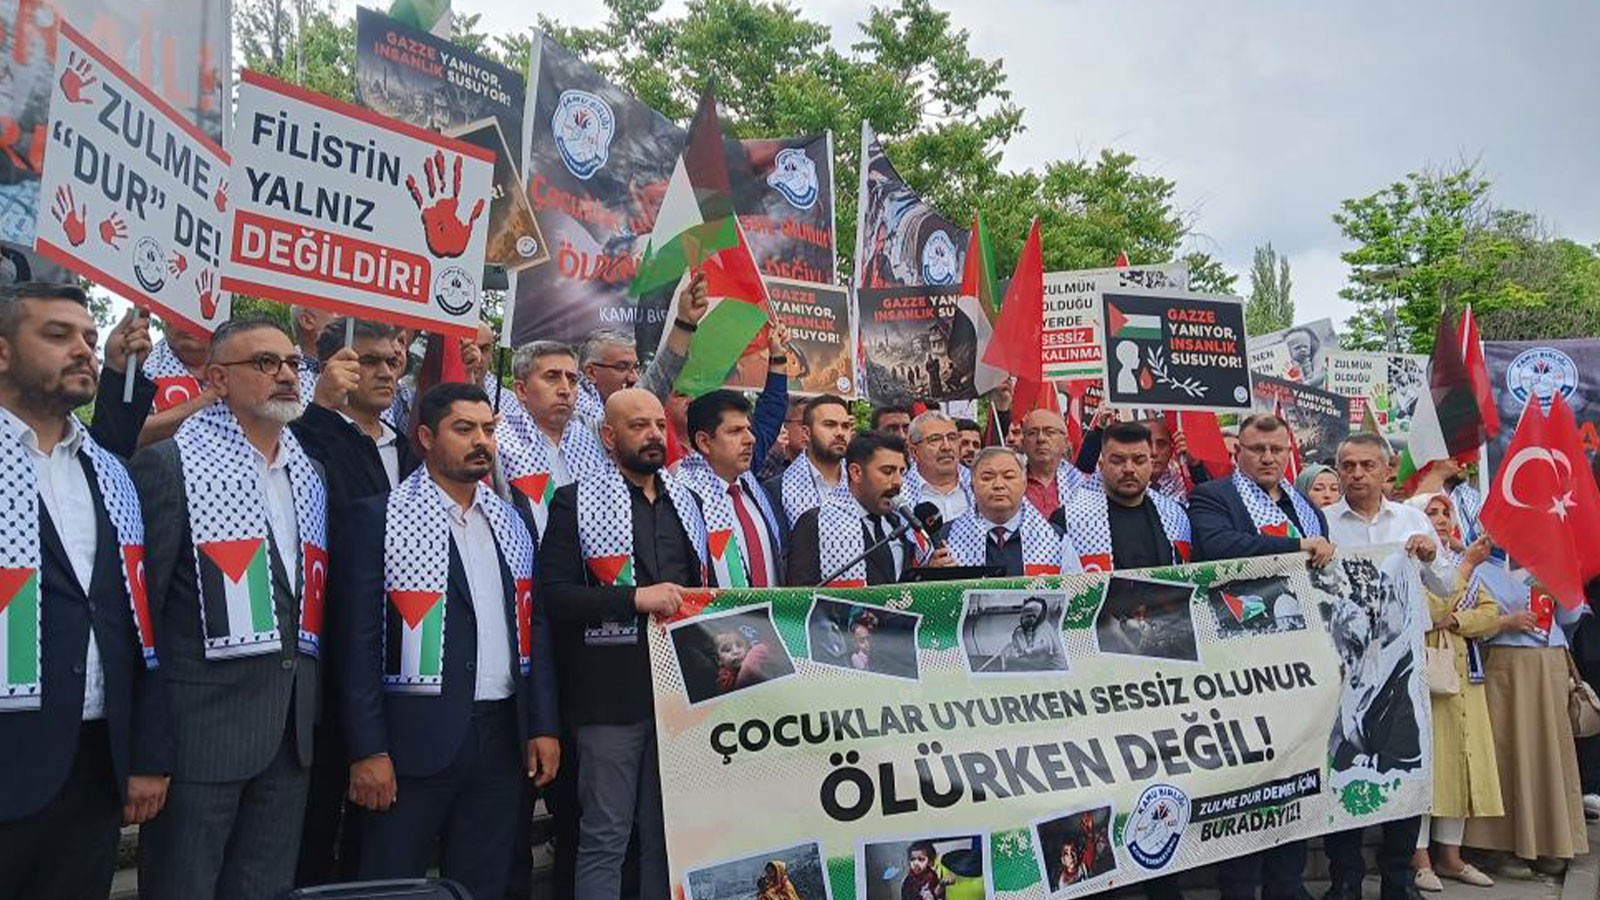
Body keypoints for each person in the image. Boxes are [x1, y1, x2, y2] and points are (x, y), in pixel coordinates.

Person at [334, 382, 558, 900]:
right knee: (391, 884)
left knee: (483, 882)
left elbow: (534, 625)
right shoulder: (378, 518)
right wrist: (368, 749)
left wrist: (543, 723)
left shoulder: (512, 520)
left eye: (487, 429)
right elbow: (359, 646)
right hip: (412, 741)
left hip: (502, 735)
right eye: (464, 429)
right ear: (426, 437)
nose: (481, 440)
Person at [131, 316, 329, 900]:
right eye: (265, 364)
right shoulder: (169, 465)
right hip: (200, 739)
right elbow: (143, 619)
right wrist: (149, 747)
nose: (288, 375)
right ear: (217, 379)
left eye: (292, 362)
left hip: (290, 735)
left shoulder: (309, 473)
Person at [0, 283, 171, 900]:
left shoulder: (110, 472)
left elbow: (135, 621)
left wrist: (145, 749)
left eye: (90, 340)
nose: (84, 351)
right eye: (58, 335)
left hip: (94, 765)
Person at [539, 388, 710, 900]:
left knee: (670, 836)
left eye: (659, 424)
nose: (654, 434)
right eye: (639, 426)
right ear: (609, 437)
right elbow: (556, 597)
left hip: (682, 696)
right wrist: (634, 598)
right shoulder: (575, 500)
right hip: (610, 698)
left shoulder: (688, 500)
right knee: (605, 837)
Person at [289, 317, 418, 885]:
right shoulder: (305, 433)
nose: (386, 371)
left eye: (393, 360)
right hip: (326, 649)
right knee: (316, 823)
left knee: (380, 829)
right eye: (369, 360)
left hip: (405, 647)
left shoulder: (411, 448)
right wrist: (319, 407)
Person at [1189, 413, 1330, 900]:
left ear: (1289, 453)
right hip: (1240, 663)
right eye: (1257, 450)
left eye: (1277, 451)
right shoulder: (1215, 497)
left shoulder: (1304, 505)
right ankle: (1239, 887)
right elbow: (1219, 546)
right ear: (1238, 453)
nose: (1268, 459)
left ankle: (1286, 885)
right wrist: (1296, 546)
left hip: (1296, 664)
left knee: (1292, 777)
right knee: (1245, 784)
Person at [1321, 433, 1453, 900]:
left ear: (1386, 470)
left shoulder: (1413, 520)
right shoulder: (1323, 523)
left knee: (1404, 771)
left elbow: (1446, 580)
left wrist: (1433, 554)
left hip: (1403, 671)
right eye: (1348, 466)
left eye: (1366, 466)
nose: (1357, 474)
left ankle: (1399, 879)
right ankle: (1345, 880)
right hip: (1345, 672)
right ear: (1337, 471)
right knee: (1344, 771)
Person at [1462, 562, 1589, 876]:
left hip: (1549, 659)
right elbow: (1470, 616)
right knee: (1504, 752)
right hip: (1505, 661)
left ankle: (1551, 841)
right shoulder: (1483, 566)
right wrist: (1506, 622)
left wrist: (1563, 588)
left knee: (1548, 751)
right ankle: (1496, 846)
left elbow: (1571, 619)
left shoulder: (1554, 561)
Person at [1404, 493, 1501, 892]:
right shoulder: (1409, 563)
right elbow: (1429, 605)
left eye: (1446, 513)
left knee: (1463, 763)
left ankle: (1452, 856)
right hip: (1426, 678)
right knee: (1429, 768)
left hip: (1465, 676)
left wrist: (1459, 619)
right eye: (1432, 513)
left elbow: (1489, 614)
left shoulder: (1467, 568)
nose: (1442, 520)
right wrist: (1463, 567)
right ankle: (1419, 857)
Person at [786, 432, 953, 587]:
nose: (897, 481)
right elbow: (800, 596)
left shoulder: (903, 524)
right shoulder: (817, 522)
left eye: (901, 472)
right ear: (856, 473)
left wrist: (930, 572)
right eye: (887, 471)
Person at [499, 341, 609, 537]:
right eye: (552, 377)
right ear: (521, 390)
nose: (565, 389)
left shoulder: (592, 434)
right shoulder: (499, 440)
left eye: (572, 380)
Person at [680, 391, 785, 587]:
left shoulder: (758, 493)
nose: (750, 439)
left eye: (748, 429)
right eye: (735, 431)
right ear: (704, 442)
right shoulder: (684, 500)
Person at [573, 274, 710, 423]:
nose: (633, 378)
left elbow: (661, 377)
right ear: (591, 372)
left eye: (635, 368)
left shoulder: (624, 403)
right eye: (622, 367)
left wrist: (685, 322)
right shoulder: (574, 405)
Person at [1060, 421, 1192, 573]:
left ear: (1150, 464)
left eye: (1138, 460)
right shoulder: (1069, 518)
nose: (1129, 469)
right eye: (1118, 461)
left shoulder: (1175, 516)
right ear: (1101, 466)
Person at [945, 448, 1076, 576]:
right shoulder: (947, 538)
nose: (998, 485)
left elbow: (1077, 592)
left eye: (1008, 477)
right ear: (972, 486)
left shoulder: (1055, 539)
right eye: (987, 478)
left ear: (1024, 484)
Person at [766, 394, 854, 534]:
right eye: (829, 425)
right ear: (806, 433)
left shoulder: (862, 481)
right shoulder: (778, 489)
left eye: (845, 426)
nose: (840, 433)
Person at [138, 322, 215, 447]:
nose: (191, 321)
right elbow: (130, 435)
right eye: (183, 312)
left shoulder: (238, 370)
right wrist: (205, 400)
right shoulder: (140, 368)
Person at [902, 411, 973, 522]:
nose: (946, 447)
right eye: (935, 439)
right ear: (914, 452)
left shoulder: (979, 484)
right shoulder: (900, 494)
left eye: (952, 437)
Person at [1021, 408, 1084, 523]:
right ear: (1023, 443)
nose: (1041, 439)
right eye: (1032, 433)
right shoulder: (1012, 481)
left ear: (1065, 443)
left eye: (1049, 432)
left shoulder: (1083, 484)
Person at [999, 596, 1066, 671]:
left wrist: (1011, 659)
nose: (1029, 618)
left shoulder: (1043, 630)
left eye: (1034, 615)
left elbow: (1040, 662)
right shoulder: (1020, 632)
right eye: (1026, 612)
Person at [289, 305, 333, 404]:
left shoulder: (361, 371)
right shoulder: (285, 374)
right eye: (334, 311)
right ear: (307, 321)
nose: (346, 318)